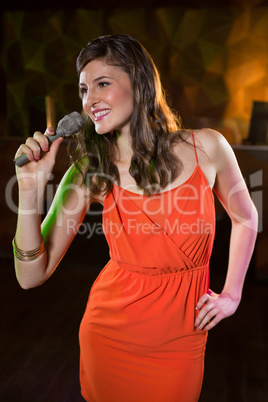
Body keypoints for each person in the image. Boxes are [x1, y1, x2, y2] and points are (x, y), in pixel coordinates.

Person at [13, 34, 258, 402]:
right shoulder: (88, 171)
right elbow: (30, 276)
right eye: (83, 90)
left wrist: (232, 294)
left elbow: (246, 218)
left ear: (140, 82)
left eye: (103, 84)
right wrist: (30, 192)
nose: (89, 100)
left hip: (181, 339)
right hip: (109, 335)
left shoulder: (208, 147)